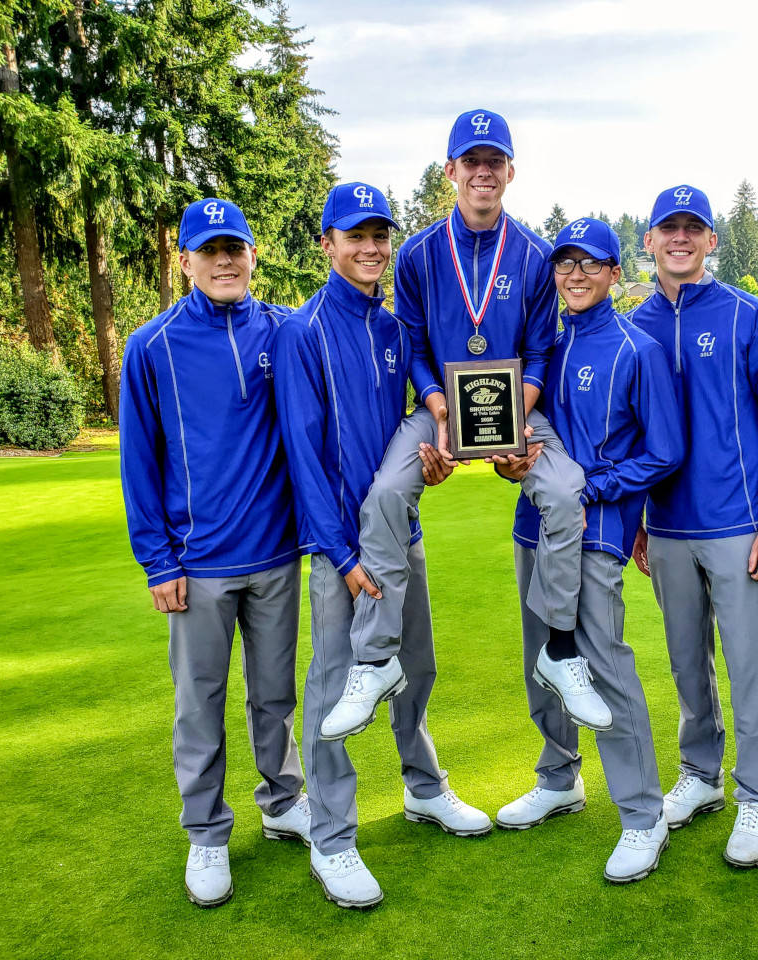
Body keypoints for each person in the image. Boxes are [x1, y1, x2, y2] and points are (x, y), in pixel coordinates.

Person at [320, 109, 605, 741]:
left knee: (563, 493)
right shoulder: (419, 252)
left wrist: (514, 419)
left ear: (510, 171)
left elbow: (539, 349)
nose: (482, 172)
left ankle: (559, 649)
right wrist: (441, 409)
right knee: (388, 494)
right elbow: (416, 345)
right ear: (450, 171)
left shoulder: (533, 254)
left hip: (519, 408)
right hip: (439, 409)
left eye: (493, 161)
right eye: (470, 162)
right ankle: (376, 659)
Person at [273, 183, 492, 909]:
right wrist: (341, 555)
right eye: (354, 236)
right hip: (343, 550)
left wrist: (433, 463)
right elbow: (304, 454)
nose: (370, 248)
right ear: (327, 244)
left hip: (402, 538)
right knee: (336, 690)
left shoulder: (397, 332)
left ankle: (423, 789)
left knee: (416, 670)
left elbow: (409, 440)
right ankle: (332, 839)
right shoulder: (303, 332)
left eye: (379, 236)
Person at [119, 198, 309, 909]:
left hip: (276, 555)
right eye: (210, 250)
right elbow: (140, 461)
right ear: (186, 260)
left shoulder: (286, 331)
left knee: (275, 694)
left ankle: (283, 802)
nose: (225, 260)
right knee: (198, 702)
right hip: (196, 565)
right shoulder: (152, 345)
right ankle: (205, 833)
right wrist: (158, 561)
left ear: (254, 255)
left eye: (236, 248)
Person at [498, 218, 682, 883]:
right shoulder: (539, 346)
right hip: (535, 528)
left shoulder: (638, 348)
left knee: (602, 666)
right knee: (542, 663)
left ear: (612, 273)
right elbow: (517, 441)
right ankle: (558, 779)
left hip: (599, 534)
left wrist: (591, 489)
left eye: (591, 264)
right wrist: (509, 464)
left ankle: (642, 814)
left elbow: (664, 451)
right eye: (565, 263)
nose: (575, 275)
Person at [629, 185, 758, 868]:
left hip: (740, 524)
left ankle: (755, 794)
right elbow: (627, 434)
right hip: (666, 527)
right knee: (685, 661)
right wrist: (635, 522)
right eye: (668, 228)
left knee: (748, 663)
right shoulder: (633, 325)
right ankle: (700, 776)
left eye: (692, 228)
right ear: (648, 241)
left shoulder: (748, 316)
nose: (680, 238)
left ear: (711, 241)